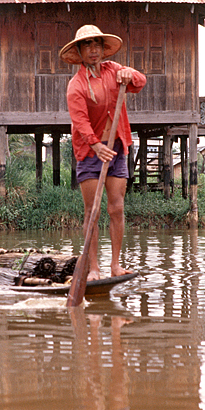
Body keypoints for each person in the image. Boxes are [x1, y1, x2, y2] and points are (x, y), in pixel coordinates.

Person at [59, 24, 146, 281]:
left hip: (117, 147)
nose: (93, 49)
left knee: (116, 208)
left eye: (97, 44)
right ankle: (93, 267)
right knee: (92, 210)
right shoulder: (76, 85)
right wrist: (96, 145)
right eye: (87, 45)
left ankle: (115, 265)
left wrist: (130, 73)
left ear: (102, 48)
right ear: (79, 51)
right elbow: (80, 120)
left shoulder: (114, 70)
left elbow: (140, 83)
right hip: (89, 151)